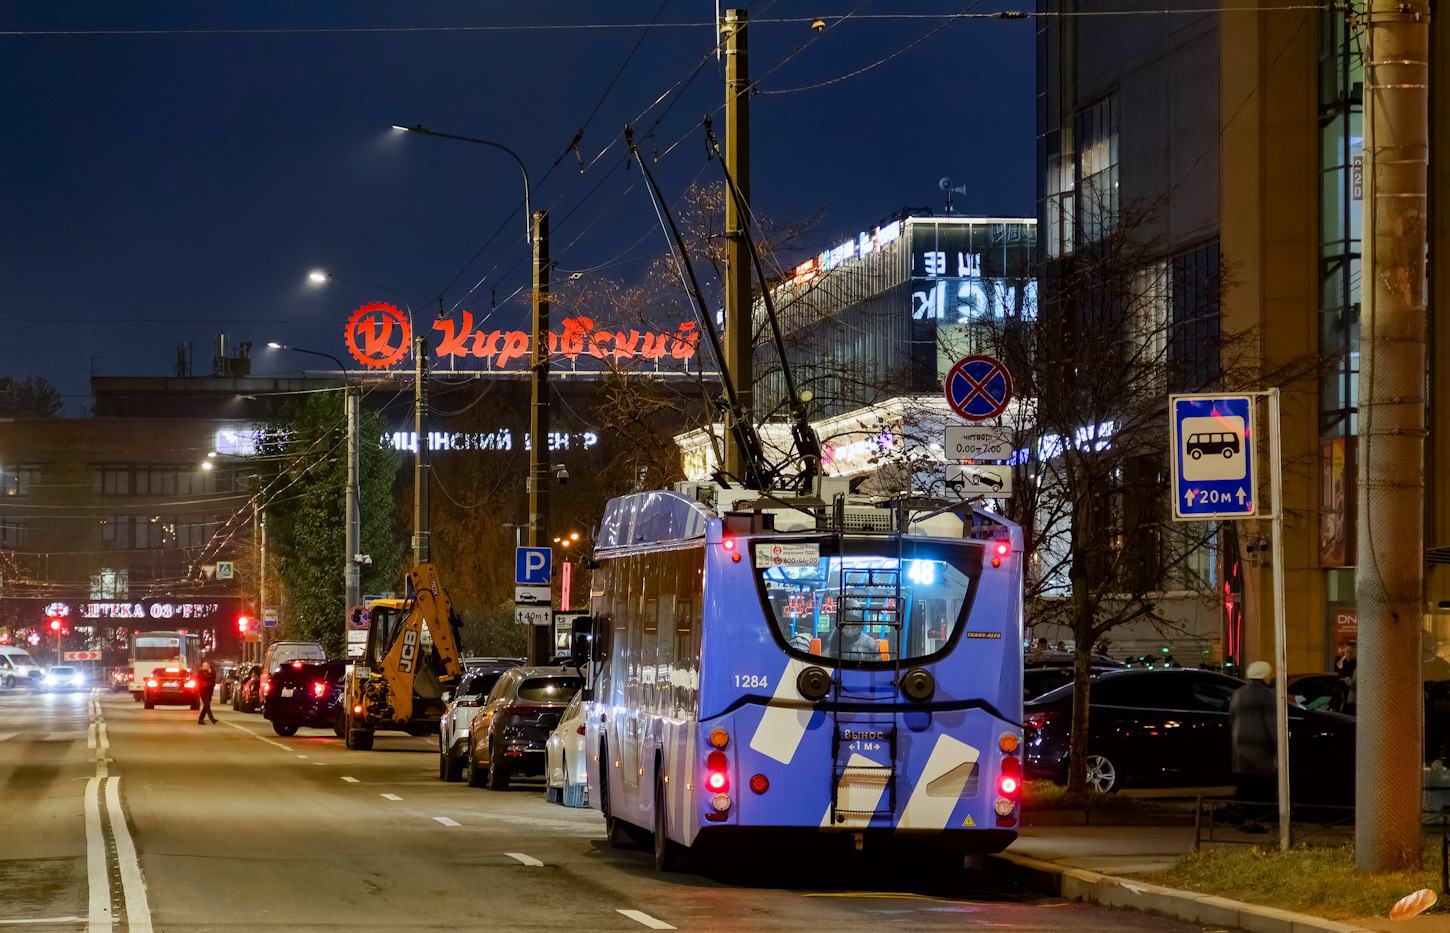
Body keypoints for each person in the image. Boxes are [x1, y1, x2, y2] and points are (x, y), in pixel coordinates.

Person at [1229, 660, 1277, 819]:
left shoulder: (1239, 693)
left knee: (1244, 786)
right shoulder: (1269, 696)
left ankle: (1243, 817)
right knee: (1262, 787)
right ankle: (1260, 817)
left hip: (1241, 747)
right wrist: (1278, 746)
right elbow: (1272, 724)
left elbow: (1232, 718)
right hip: (1261, 748)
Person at [196, 660, 218, 725]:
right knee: (207, 704)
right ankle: (212, 718)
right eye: (203, 666)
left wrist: (210, 672)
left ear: (209, 666)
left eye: (205, 665)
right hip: (203, 690)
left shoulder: (212, 671)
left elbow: (214, 678)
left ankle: (200, 719)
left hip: (210, 690)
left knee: (206, 705)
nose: (204, 667)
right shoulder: (201, 672)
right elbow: (199, 679)